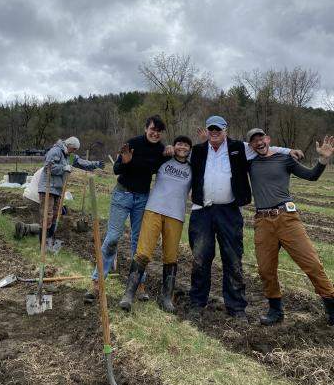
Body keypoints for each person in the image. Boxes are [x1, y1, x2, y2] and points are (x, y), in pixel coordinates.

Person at [188, 115, 300, 320]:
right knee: (200, 258)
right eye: (211, 129)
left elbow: (264, 147)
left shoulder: (240, 147)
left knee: (232, 259)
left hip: (229, 212)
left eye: (218, 129)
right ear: (207, 130)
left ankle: (236, 306)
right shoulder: (197, 150)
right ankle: (197, 302)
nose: (214, 132)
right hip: (201, 211)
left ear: (225, 130)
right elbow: (178, 154)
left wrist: (288, 151)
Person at [248, 129, 334, 326]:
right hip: (262, 221)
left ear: (268, 140)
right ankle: (275, 310)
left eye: (261, 138)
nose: (259, 143)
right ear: (251, 146)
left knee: (311, 263)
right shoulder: (250, 163)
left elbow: (311, 176)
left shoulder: (284, 159)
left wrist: (322, 160)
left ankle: (331, 306)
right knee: (265, 269)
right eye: (254, 141)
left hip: (287, 218)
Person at [84, 115, 168, 303]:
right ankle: (97, 283)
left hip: (143, 198)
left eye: (159, 131)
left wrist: (170, 152)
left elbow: (165, 167)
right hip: (123, 194)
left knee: (139, 243)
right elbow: (116, 170)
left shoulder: (161, 150)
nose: (155, 133)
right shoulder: (133, 143)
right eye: (152, 129)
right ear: (146, 128)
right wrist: (126, 161)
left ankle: (138, 284)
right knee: (113, 237)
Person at [119, 135, 192, 313]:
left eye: (186, 145)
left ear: (190, 149)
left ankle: (166, 297)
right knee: (143, 252)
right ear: (173, 147)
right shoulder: (163, 161)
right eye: (179, 144)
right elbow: (145, 163)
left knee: (171, 257)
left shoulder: (193, 168)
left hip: (176, 215)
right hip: (154, 210)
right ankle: (129, 294)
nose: (182, 147)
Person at [34, 137, 104, 242]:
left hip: (58, 189)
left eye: (76, 150)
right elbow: (48, 167)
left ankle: (49, 240)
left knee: (55, 215)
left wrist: (95, 164)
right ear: (68, 145)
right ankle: (43, 244)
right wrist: (63, 168)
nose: (74, 151)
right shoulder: (55, 151)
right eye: (74, 149)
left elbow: (80, 162)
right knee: (47, 215)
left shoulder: (69, 156)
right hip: (47, 187)